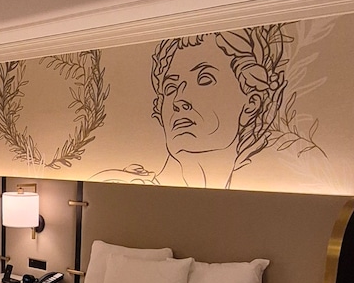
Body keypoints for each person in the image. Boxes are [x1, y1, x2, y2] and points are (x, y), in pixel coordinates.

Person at [99, 24, 292, 188]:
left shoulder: (262, 200)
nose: (179, 99)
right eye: (171, 87)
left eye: (204, 80)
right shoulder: (119, 185)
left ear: (251, 103)